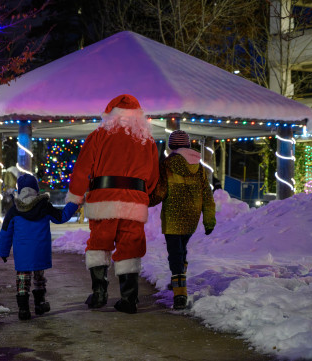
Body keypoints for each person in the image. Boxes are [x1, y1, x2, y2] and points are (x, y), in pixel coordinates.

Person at [66, 94, 160, 314]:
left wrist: (75, 197)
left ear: (110, 115)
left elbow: (82, 169)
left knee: (99, 243)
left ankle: (99, 294)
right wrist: (143, 193)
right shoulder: (147, 140)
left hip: (103, 199)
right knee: (130, 246)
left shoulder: (98, 135)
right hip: (133, 201)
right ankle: (129, 299)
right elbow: (153, 176)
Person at [149, 130, 216, 310]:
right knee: (182, 249)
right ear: (187, 145)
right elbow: (207, 194)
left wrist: (145, 201)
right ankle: (178, 281)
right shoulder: (198, 166)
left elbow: (160, 191)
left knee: (175, 253)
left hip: (173, 214)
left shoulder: (167, 164)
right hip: (192, 214)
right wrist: (209, 219)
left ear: (172, 146)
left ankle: (180, 292)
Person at [0, 174, 78, 320]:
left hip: (22, 253)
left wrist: (3, 252)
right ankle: (40, 303)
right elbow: (61, 217)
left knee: (23, 279)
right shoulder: (44, 206)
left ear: (20, 189)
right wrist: (74, 203)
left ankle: (23, 309)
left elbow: (5, 232)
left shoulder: (14, 210)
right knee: (39, 277)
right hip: (40, 250)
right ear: (35, 188)